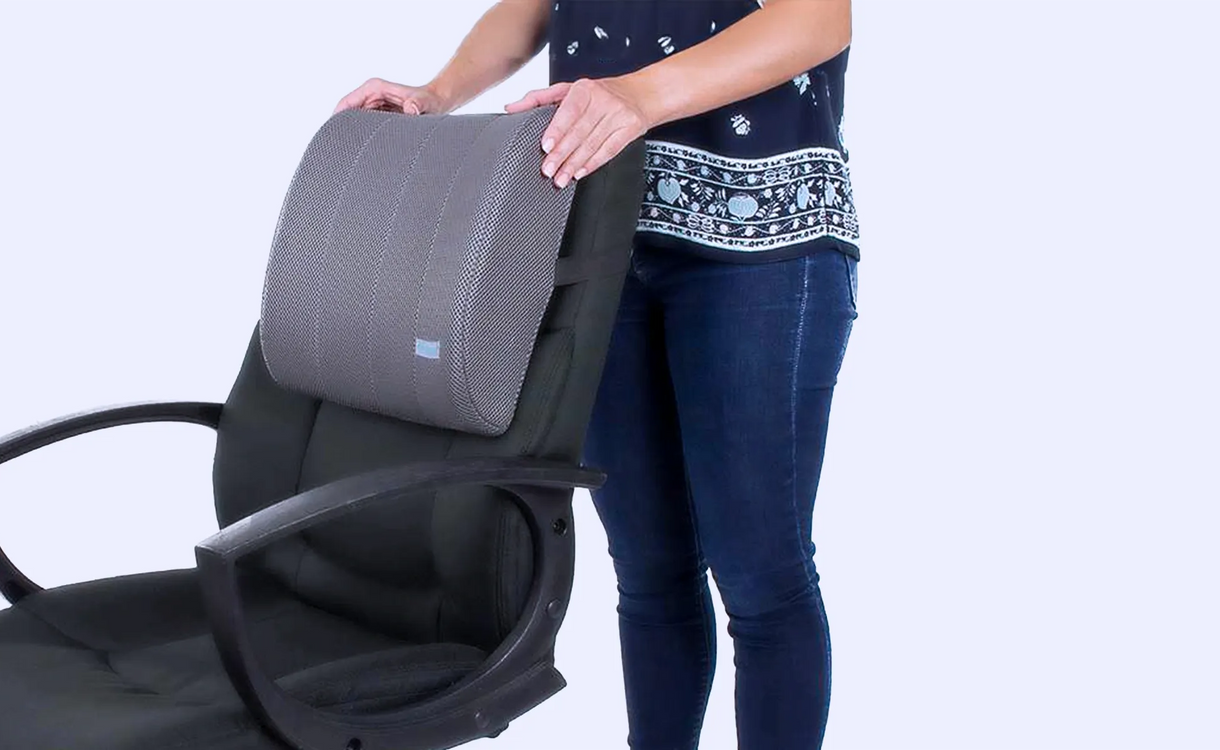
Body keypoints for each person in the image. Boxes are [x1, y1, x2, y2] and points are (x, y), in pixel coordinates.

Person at [336, 2, 858, 748]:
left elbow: (818, 19)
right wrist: (436, 92)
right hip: (603, 229)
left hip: (765, 240)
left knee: (761, 577)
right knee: (648, 573)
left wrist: (637, 95)